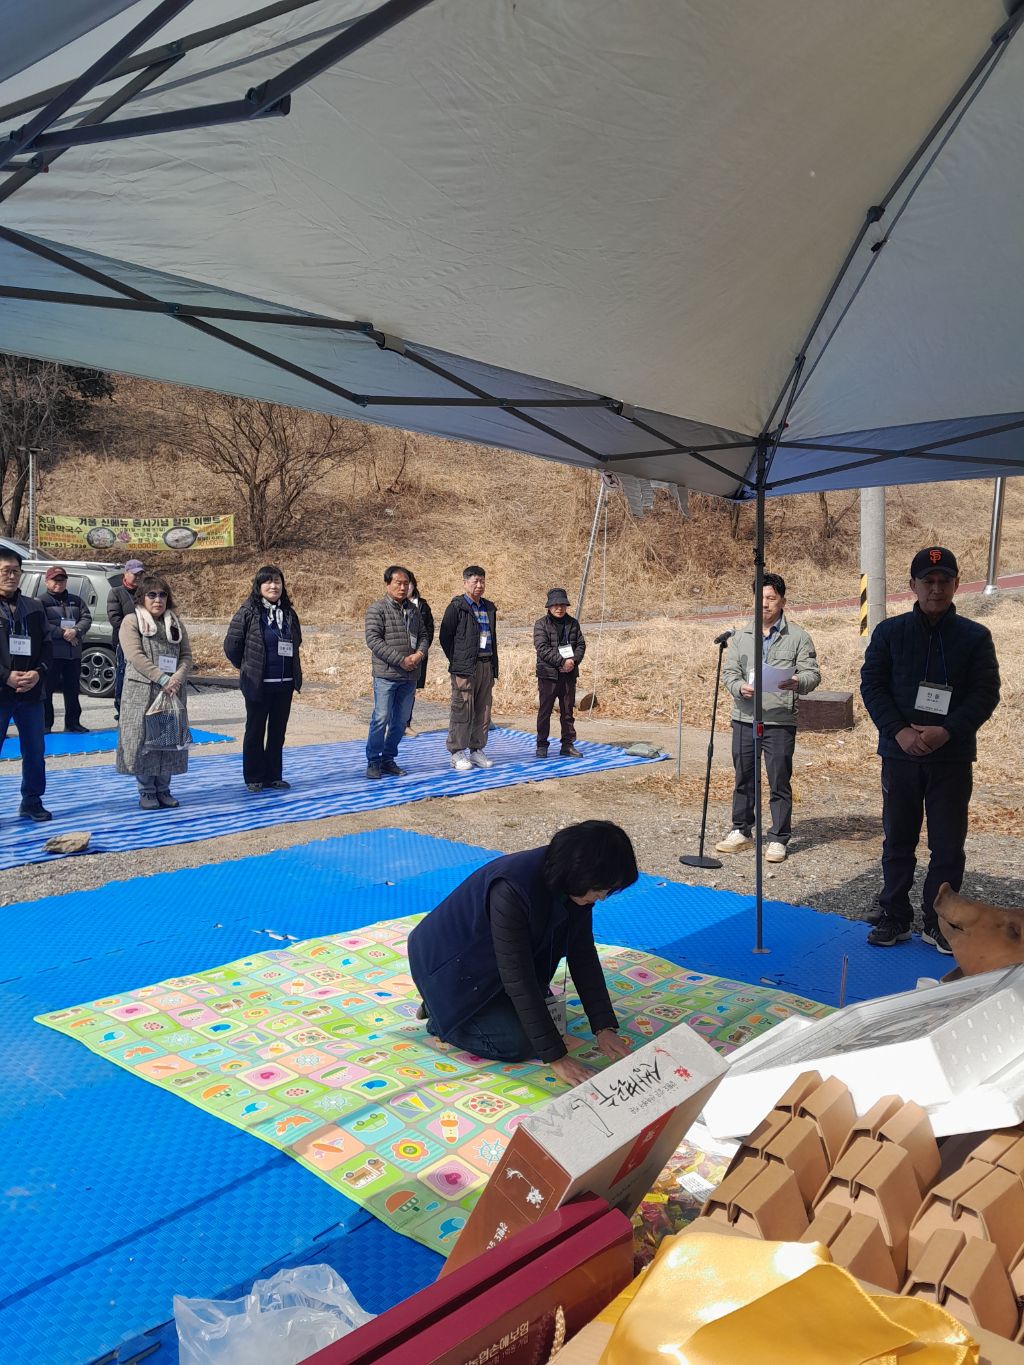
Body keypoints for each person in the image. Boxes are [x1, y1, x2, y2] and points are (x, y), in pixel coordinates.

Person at [408, 821, 638, 1085]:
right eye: (600, 890)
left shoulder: (571, 880)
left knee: (545, 1021)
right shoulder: (512, 887)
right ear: (581, 874)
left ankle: (449, 1008)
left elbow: (582, 953)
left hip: (493, 963)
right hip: (450, 968)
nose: (602, 898)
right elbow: (517, 976)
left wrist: (603, 1026)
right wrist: (557, 1058)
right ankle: (441, 1016)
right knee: (520, 1042)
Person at [860, 547, 1000, 954]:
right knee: (898, 839)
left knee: (948, 845)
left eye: (944, 581)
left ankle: (940, 922)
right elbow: (873, 686)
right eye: (928, 581)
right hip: (900, 755)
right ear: (913, 585)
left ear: (956, 584)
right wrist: (899, 732)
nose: (936, 589)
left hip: (950, 758)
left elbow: (986, 692)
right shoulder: (889, 633)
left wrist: (948, 731)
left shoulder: (975, 637)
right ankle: (894, 914)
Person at [717, 572, 821, 862]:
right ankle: (741, 830)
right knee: (743, 777)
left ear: (783, 601)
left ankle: (778, 838)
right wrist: (739, 687)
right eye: (759, 597)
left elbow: (813, 674)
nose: (764, 603)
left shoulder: (798, 637)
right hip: (745, 716)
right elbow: (730, 673)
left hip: (780, 720)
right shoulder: (741, 637)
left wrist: (798, 681)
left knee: (779, 780)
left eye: (771, 598)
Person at [117, 574, 193, 809]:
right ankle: (147, 791)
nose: (158, 599)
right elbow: (135, 655)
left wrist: (177, 678)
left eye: (162, 594)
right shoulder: (131, 621)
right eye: (152, 595)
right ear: (142, 597)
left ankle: (163, 788)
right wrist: (161, 678)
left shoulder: (175, 623)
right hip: (142, 693)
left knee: (168, 742)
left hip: (172, 691)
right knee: (144, 743)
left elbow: (186, 655)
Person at [224, 565, 303, 793]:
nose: (273, 586)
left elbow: (296, 642)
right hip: (257, 683)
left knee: (278, 732)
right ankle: (254, 777)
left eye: (277, 581)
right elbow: (231, 645)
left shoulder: (288, 613)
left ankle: (273, 776)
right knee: (255, 730)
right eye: (267, 581)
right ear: (258, 586)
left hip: (284, 684)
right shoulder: (248, 611)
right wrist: (247, 667)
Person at [0, 546, 52, 821]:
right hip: (2, 690)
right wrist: (5, 676)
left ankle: (32, 801)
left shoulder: (33, 606)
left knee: (34, 750)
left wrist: (38, 673)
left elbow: (47, 646)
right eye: (5, 571)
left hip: (31, 692)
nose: (11, 576)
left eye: (15, 571)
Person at [363, 565, 428, 779]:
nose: (402, 588)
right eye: (398, 583)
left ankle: (388, 759)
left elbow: (424, 635)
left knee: (400, 722)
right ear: (387, 584)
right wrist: (401, 660)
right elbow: (373, 640)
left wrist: (419, 655)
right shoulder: (377, 609)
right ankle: (373, 761)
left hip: (409, 676)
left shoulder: (414, 610)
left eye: (406, 584)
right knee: (381, 718)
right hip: (387, 675)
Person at [439, 565, 498, 772]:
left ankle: (476, 749)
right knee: (462, 708)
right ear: (465, 583)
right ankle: (457, 752)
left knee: (483, 710)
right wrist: (458, 660)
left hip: (486, 664)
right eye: (475, 581)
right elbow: (445, 637)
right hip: (464, 668)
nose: (479, 585)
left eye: (482, 581)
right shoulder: (457, 607)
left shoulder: (489, 607)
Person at [533, 587, 586, 758]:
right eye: (555, 605)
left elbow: (581, 645)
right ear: (549, 606)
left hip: (569, 675)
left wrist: (573, 662)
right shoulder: (541, 624)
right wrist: (562, 662)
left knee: (568, 712)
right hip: (548, 675)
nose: (559, 608)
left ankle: (567, 745)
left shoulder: (573, 623)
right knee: (545, 711)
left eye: (562, 604)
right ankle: (542, 745)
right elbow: (542, 648)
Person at [40, 565, 92, 734]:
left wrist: (76, 631)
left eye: (62, 580)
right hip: (52, 654)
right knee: (47, 691)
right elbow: (41, 624)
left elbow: (86, 618)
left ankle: (73, 723)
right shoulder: (40, 601)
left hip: (73, 654)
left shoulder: (76, 600)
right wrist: (62, 633)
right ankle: (45, 724)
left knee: (72, 691)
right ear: (47, 581)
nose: (59, 583)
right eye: (55, 580)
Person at [107, 558, 144, 722]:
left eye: (140, 574)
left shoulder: (145, 592)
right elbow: (115, 619)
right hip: (124, 641)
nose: (138, 577)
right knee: (123, 673)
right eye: (135, 574)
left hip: (145, 640)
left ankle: (139, 708)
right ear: (126, 573)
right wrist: (135, 630)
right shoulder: (116, 592)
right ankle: (121, 708)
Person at [405, 570, 434, 736]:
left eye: (409, 583)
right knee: (394, 690)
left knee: (411, 690)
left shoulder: (422, 605)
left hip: (417, 655)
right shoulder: (390, 605)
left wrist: (420, 652)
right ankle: (392, 725)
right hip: (397, 655)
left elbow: (429, 630)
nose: (406, 587)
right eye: (402, 583)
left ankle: (406, 724)